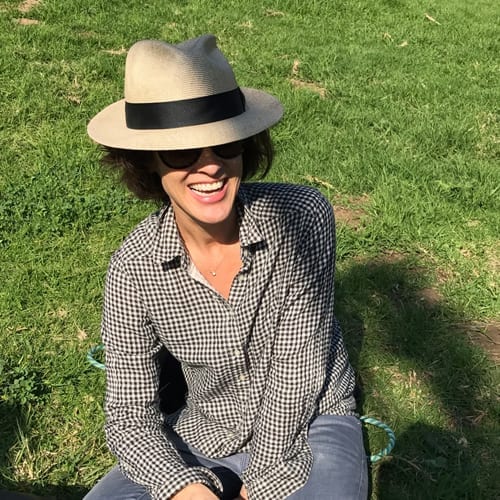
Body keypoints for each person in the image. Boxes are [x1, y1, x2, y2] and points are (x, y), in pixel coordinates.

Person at [84, 34, 367, 500]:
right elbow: (130, 416)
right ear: (148, 161)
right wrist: (184, 487)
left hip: (314, 419)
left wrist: (258, 486)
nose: (210, 167)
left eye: (225, 145)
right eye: (182, 152)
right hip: (206, 430)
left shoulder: (300, 218)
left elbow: (298, 371)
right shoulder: (133, 269)